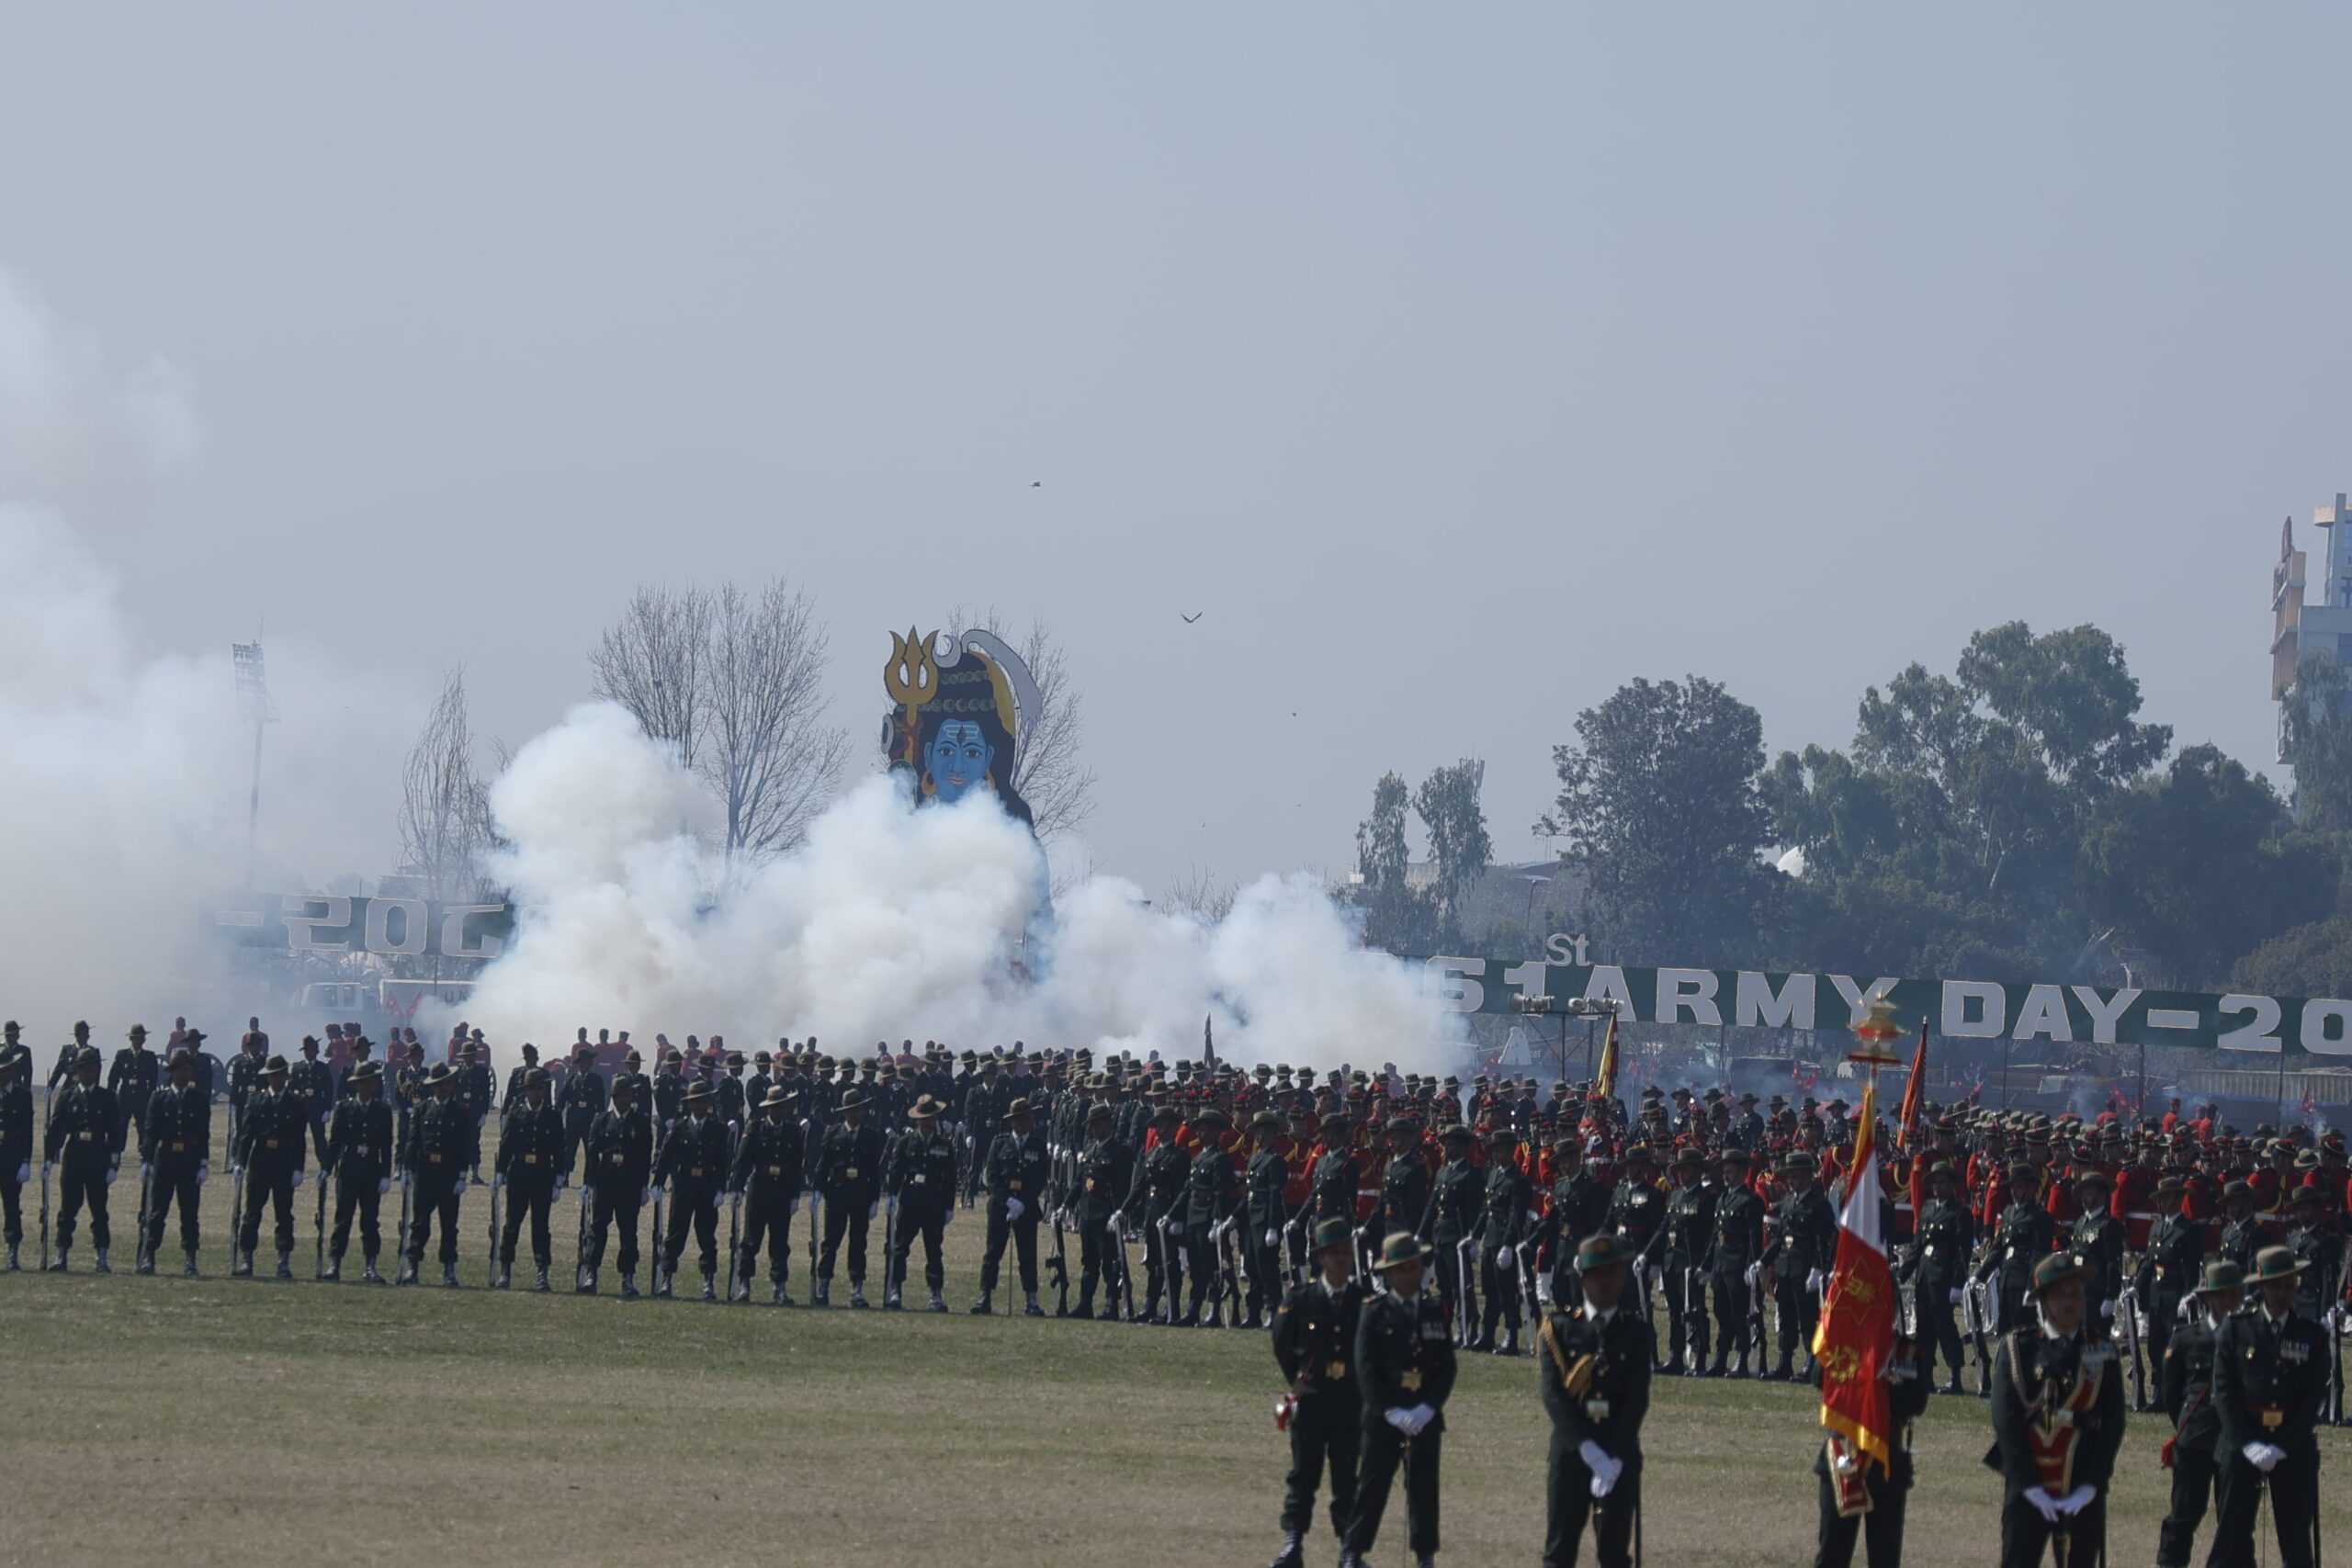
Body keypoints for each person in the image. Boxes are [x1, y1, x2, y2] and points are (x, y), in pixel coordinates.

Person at [1986, 1250, 2126, 1568]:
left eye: (2076, 1294)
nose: (2070, 1303)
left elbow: (2114, 1423)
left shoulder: (2102, 1350)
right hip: (2028, 1487)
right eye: (2060, 1295)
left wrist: (2092, 1484)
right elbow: (2006, 1422)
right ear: (2043, 1302)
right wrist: (2029, 1486)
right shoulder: (2017, 1349)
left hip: (2082, 1485)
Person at [2206, 1245, 2326, 1568]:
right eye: (2276, 1286)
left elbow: (2313, 1397)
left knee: (2296, 1537)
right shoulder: (2236, 1329)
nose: (2284, 1293)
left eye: (2290, 1285)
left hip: (2291, 1445)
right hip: (2242, 1442)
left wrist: (2283, 1445)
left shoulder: (2312, 1335)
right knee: (2231, 1534)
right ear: (2261, 1287)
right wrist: (2247, 1443)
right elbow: (2224, 1390)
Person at [1537, 1233, 1653, 1568]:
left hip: (1618, 1453)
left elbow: (1636, 1399)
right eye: (1599, 1274)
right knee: (1559, 1551)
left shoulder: (1635, 1331)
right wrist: (1587, 1449)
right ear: (1583, 1278)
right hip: (1572, 1453)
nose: (1607, 1282)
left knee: (1614, 1555)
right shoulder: (1557, 1329)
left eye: (1614, 1273)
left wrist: (1613, 1457)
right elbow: (1554, 1396)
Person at [1343, 1230, 1456, 1568]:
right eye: (1403, 1269)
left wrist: (1428, 1408)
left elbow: (1447, 1367)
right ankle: (1353, 1552)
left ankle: (1425, 1555)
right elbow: (1365, 1367)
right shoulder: (1374, 1311)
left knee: (1424, 1488)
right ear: (1389, 1273)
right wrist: (1389, 1410)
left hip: (1423, 1413)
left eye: (1415, 1267)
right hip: (1384, 1415)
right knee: (1372, 1485)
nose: (1410, 1274)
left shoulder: (1435, 1309)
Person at [1268, 1215, 1367, 1568]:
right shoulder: (1300, 1299)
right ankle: (1292, 1545)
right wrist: (1299, 1380)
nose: (1341, 1258)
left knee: (1347, 1482)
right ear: (1321, 1257)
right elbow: (1282, 1343)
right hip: (1311, 1401)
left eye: (1346, 1251)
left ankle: (1349, 1552)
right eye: (1334, 1252)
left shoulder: (1364, 1302)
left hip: (1349, 1404)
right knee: (1302, 1477)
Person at [1813, 1333, 1928, 1568]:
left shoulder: (1905, 1350)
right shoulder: (1840, 1337)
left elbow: (1917, 1401)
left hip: (1886, 1458)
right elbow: (1818, 1379)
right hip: (1842, 1454)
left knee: (1884, 1557)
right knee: (1832, 1554)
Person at [2154, 1258, 2242, 1568]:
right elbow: (2170, 1391)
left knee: (2236, 1522)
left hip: (2236, 1441)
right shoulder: (2186, 1338)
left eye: (2235, 1295)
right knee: (2183, 1516)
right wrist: (2187, 1423)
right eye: (2223, 1295)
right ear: (2208, 1299)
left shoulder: (2251, 1337)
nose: (2230, 1302)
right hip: (2196, 1440)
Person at [233, 1055, 314, 1280]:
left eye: (280, 1075)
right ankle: (247, 1258)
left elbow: (299, 1139)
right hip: (260, 1163)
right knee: (251, 1214)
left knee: (284, 1214)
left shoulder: (295, 1103)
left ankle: (283, 1260)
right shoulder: (256, 1101)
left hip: (284, 1163)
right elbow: (246, 1136)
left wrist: (299, 1167)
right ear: (268, 1077)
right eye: (273, 1075)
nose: (277, 1079)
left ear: (285, 1077)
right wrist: (239, 1162)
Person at [43, 1044, 122, 1271]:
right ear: (77, 1071)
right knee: (68, 1208)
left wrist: (114, 1163)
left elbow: (115, 1132)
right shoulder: (67, 1096)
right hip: (74, 1153)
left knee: (99, 1209)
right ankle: (61, 1255)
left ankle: (102, 1257)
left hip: (98, 1153)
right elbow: (56, 1127)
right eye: (84, 1068)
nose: (89, 1072)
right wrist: (49, 1157)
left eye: (93, 1068)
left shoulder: (107, 1097)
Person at [652, 1078, 732, 1300]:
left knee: (707, 1236)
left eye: (703, 1101)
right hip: (684, 1185)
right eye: (695, 1101)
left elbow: (723, 1162)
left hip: (707, 1187)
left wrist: (720, 1189)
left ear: (709, 1102)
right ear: (690, 1103)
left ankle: (708, 1281)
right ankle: (667, 1279)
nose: (699, 1105)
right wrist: (657, 1182)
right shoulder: (679, 1127)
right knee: (676, 1234)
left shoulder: (718, 1129)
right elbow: (665, 1157)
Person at [401, 1063, 478, 1287]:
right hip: (425, 1172)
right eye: (439, 1084)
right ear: (433, 1087)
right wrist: (407, 1170)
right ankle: (413, 1265)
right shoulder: (422, 1109)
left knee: (449, 1224)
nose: (444, 1088)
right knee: (420, 1223)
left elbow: (466, 1145)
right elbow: (413, 1142)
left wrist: (463, 1175)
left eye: (447, 1083)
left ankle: (449, 1268)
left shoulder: (460, 1111)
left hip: (449, 1171)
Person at [732, 1083, 808, 1305]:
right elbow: (742, 1161)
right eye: (776, 1106)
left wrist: (795, 1195)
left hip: (782, 1190)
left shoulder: (793, 1132)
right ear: (769, 1108)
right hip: (760, 1189)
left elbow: (796, 1166)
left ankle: (779, 1285)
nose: (780, 1110)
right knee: (750, 1241)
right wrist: (736, 1188)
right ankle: (744, 1284)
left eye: (783, 1106)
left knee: (779, 1242)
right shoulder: (755, 1128)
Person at [977, 1095, 1052, 1316]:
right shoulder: (999, 1143)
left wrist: (1022, 1202)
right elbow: (991, 1176)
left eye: (1025, 1119)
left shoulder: (1038, 1145)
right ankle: (985, 1296)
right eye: (1017, 1120)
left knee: (1027, 1254)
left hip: (1026, 1206)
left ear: (1031, 1120)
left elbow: (1039, 1178)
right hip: (1001, 1206)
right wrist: (1006, 1200)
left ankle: (1031, 1299)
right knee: (992, 1253)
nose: (1021, 1124)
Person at [321, 1060, 395, 1282]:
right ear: (356, 1085)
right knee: (343, 1218)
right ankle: (334, 1264)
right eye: (362, 1083)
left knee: (370, 1220)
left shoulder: (382, 1110)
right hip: (349, 1168)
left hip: (371, 1168)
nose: (366, 1086)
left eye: (370, 1082)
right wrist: (326, 1168)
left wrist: (385, 1174)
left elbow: (386, 1145)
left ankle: (370, 1266)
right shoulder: (344, 1108)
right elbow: (335, 1143)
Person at [1765, 1151, 1836, 1382]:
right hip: (1786, 1265)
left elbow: (1825, 1240)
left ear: (1807, 1176)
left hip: (1806, 1268)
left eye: (1795, 1176)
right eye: (1789, 1177)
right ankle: (1784, 1361)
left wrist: (1818, 1268)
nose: (1791, 1181)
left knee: (1807, 1318)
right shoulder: (1787, 1202)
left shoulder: (1819, 1205)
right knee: (1785, 1316)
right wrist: (1763, 1261)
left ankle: (1811, 1361)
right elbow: (1779, 1237)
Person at [139, 1047, 209, 1276]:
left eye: (187, 1069)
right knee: (157, 1211)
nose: (184, 1074)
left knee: (189, 1213)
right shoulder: (159, 1098)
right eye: (180, 1069)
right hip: (165, 1159)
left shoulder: (198, 1099)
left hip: (189, 1159)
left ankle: (190, 1258)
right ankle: (149, 1255)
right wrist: (147, 1161)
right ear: (172, 1072)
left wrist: (203, 1163)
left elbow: (203, 1134)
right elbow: (150, 1132)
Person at [880, 1091, 954, 1311]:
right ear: (917, 1120)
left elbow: (950, 1178)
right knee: (900, 1248)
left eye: (932, 1118)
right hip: (910, 1202)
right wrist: (891, 1196)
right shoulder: (905, 1142)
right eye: (925, 1119)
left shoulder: (945, 1144)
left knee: (934, 1250)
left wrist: (949, 1206)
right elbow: (896, 1170)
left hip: (934, 1203)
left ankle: (936, 1293)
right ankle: (895, 1290)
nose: (928, 1123)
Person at [494, 1066, 565, 1292]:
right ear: (526, 1091)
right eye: (532, 1088)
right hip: (519, 1174)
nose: (536, 1092)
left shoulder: (553, 1116)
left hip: (543, 1174)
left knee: (540, 1227)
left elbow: (560, 1150)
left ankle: (542, 1272)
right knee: (512, 1224)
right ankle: (505, 1269)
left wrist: (559, 1179)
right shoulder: (516, 1114)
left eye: (540, 1088)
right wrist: (499, 1172)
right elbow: (506, 1146)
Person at [814, 1084, 885, 1307]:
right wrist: (818, 1191)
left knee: (858, 1243)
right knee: (831, 1242)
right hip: (837, 1195)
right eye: (852, 1110)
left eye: (859, 1110)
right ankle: (823, 1284)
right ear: (845, 1111)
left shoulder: (871, 1136)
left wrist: (875, 1199)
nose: (856, 1114)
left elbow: (875, 1170)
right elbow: (822, 1166)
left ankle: (857, 1288)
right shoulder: (833, 1134)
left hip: (861, 1196)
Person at [1908, 1160, 1976, 1393]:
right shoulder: (1927, 1210)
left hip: (1944, 1276)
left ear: (1952, 1185)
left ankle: (1954, 1374)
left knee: (1945, 1327)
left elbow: (1962, 1251)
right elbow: (1917, 1247)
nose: (1938, 1187)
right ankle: (1925, 1374)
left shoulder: (1960, 1213)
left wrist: (1957, 1283)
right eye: (1935, 1183)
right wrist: (1901, 1273)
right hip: (1924, 1275)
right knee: (1924, 1328)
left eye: (1943, 1183)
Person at [582, 1076, 652, 1298]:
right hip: (605, 1183)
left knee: (629, 1232)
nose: (627, 1098)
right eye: (623, 1094)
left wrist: (644, 1186)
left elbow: (644, 1158)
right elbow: (592, 1154)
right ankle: (591, 1273)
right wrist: (588, 1183)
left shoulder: (641, 1122)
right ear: (615, 1097)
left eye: (630, 1094)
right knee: (597, 1229)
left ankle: (627, 1277)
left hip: (629, 1185)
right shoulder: (601, 1121)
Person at [1472, 1125, 1536, 1354]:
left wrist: (1508, 1245)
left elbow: (1515, 1216)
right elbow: (1484, 1208)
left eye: (1500, 1150)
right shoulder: (1493, 1174)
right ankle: (1487, 1334)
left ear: (1510, 1151)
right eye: (1494, 1151)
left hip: (1504, 1240)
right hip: (1490, 1238)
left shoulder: (1518, 1180)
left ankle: (1511, 1335)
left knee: (1508, 1291)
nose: (1496, 1155)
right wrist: (1474, 1237)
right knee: (1489, 1290)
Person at [1177, 1105, 1240, 1326]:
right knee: (1195, 1267)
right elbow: (1188, 1189)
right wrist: (1173, 1213)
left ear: (1215, 1132)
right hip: (1193, 1216)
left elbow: (1220, 1193)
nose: (1200, 1133)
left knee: (1211, 1267)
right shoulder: (1197, 1158)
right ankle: (1193, 1309)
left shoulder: (1220, 1159)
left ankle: (1213, 1311)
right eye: (1200, 1129)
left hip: (1207, 1218)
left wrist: (1216, 1220)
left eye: (1205, 1129)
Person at [1073, 1099, 1136, 1320]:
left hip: (1107, 1214)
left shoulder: (1120, 1152)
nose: (1094, 1129)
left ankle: (1112, 1304)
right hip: (1088, 1213)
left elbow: (1122, 1187)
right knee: (1089, 1262)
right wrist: (1066, 1206)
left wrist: (1119, 1212)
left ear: (1108, 1124)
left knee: (1110, 1263)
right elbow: (1080, 1181)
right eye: (1092, 1125)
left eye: (1098, 1125)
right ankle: (1085, 1302)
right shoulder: (1091, 1149)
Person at [1243, 1108, 1293, 1328]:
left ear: (1272, 1134)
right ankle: (1253, 1312)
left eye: (1262, 1132)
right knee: (1252, 1267)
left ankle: (1274, 1310)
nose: (1259, 1136)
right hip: (1251, 1218)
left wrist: (1273, 1226)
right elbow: (1249, 1192)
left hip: (1265, 1220)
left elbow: (1275, 1196)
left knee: (1268, 1269)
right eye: (1257, 1132)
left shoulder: (1275, 1161)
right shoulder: (1254, 1159)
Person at [0, 1045, 30, 1270]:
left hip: (11, 1159)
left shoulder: (22, 1096)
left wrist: (26, 1161)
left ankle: (12, 1251)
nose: (3, 1074)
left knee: (12, 1205)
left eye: (6, 1070)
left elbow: (27, 1131)